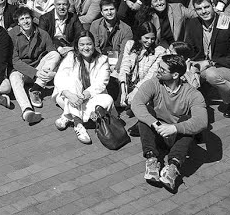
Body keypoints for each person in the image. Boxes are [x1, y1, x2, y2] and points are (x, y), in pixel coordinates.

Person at [130, 52, 208, 194]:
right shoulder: (154, 83)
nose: (157, 70)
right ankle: (152, 160)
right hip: (157, 134)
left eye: (162, 69)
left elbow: (202, 121)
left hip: (177, 138)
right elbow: (137, 104)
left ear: (175, 75)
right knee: (145, 113)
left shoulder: (193, 94)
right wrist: (155, 123)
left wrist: (174, 128)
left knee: (187, 121)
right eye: (159, 66)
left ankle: (173, 167)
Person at [51, 35, 114, 145]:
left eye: (89, 44)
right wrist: (69, 94)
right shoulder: (71, 57)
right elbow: (60, 77)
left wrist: (84, 95)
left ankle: (68, 116)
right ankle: (78, 125)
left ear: (94, 45)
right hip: (68, 97)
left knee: (108, 99)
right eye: (82, 44)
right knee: (72, 81)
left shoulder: (102, 60)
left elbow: (101, 83)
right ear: (77, 46)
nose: (86, 48)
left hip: (88, 98)